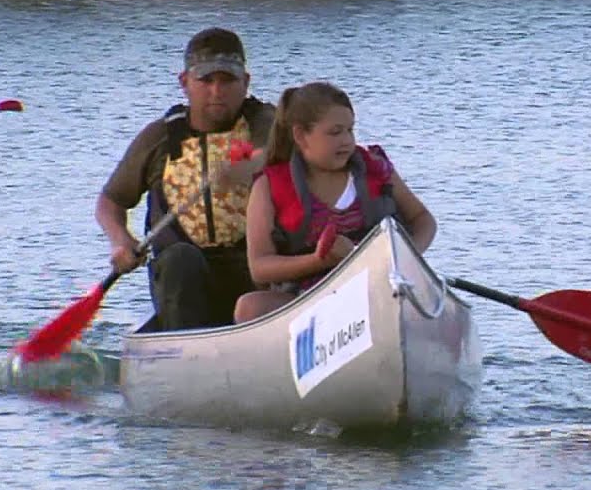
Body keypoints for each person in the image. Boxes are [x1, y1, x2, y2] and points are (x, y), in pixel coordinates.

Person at [96, 28, 277, 331]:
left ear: (246, 82)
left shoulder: (266, 122)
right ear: (185, 83)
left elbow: (268, 152)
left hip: (254, 270)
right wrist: (120, 240)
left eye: (228, 80)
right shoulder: (160, 138)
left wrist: (245, 165)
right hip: (183, 278)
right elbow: (110, 201)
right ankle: (182, 341)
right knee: (180, 259)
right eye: (206, 80)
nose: (217, 91)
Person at [233, 82, 437, 323]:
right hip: (307, 301)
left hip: (379, 289)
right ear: (301, 136)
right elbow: (260, 266)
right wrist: (320, 259)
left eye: (350, 130)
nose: (347, 141)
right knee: (248, 307)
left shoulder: (376, 168)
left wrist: (403, 257)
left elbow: (423, 220)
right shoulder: (268, 186)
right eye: (335, 132)